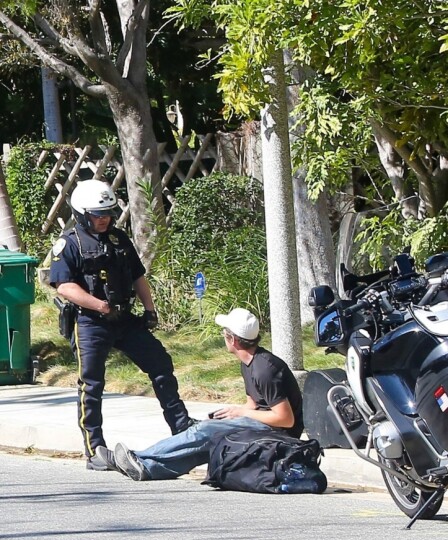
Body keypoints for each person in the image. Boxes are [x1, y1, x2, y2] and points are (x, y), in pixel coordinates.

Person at [49, 179, 192, 471]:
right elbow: (63, 286)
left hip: (124, 319)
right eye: (98, 215)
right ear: (81, 214)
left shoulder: (119, 239)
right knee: (91, 384)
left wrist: (150, 310)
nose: (104, 220)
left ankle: (182, 426)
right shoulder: (70, 243)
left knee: (160, 364)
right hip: (91, 322)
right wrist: (98, 305)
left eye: (108, 214)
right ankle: (94, 449)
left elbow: (138, 276)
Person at [95, 307, 304, 481]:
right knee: (209, 437)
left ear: (233, 339)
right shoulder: (249, 362)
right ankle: (147, 468)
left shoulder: (264, 369)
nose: (224, 336)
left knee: (203, 432)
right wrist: (231, 414)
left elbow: (285, 419)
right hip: (264, 423)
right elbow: (254, 404)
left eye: (225, 333)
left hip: (280, 432)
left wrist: (242, 414)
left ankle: (138, 458)